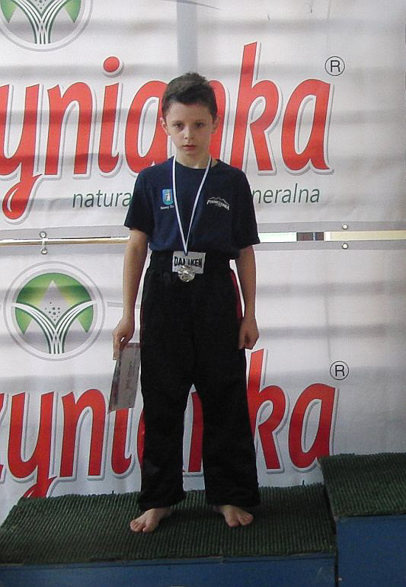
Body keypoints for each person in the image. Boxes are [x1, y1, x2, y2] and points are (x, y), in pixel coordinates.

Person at [112, 72, 261, 530]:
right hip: (163, 294)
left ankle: (229, 495)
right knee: (161, 399)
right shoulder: (151, 180)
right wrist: (126, 314)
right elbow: (136, 247)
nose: (189, 134)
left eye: (198, 124)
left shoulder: (232, 181)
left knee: (225, 397)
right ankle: (159, 498)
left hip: (215, 292)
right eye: (179, 125)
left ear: (215, 123)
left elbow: (244, 252)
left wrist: (250, 314)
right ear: (164, 126)